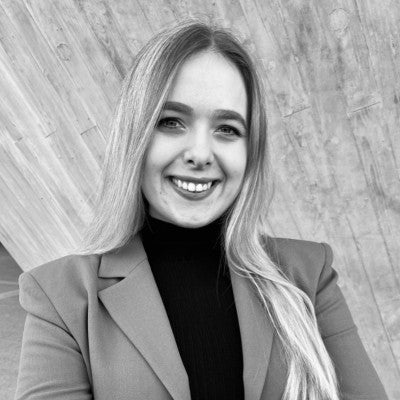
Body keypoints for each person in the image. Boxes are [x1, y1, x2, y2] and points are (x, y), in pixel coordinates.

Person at [15, 19, 388, 400]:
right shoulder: (60, 296)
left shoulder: (308, 275)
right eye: (171, 122)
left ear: (250, 152)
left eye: (227, 129)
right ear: (134, 137)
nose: (199, 154)